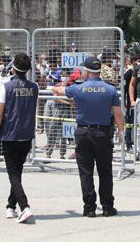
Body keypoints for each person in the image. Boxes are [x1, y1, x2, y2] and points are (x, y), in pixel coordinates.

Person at [52, 56, 124, 218]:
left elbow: (58, 91)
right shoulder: (110, 89)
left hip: (83, 132)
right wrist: (121, 131)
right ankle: (107, 206)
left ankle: (89, 207)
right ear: (99, 71)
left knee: (86, 171)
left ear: (86, 71)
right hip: (103, 133)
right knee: (105, 171)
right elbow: (118, 113)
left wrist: (55, 88)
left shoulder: (78, 88)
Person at [0, 52, 38, 223]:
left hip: (10, 134)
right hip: (26, 134)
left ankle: (24, 207)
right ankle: (11, 206)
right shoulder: (34, 87)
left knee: (13, 173)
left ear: (13, 68)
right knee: (17, 171)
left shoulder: (6, 87)